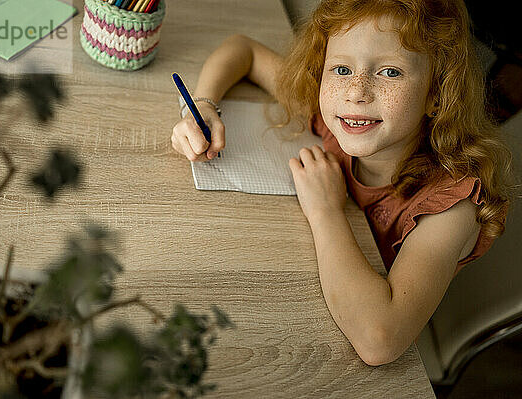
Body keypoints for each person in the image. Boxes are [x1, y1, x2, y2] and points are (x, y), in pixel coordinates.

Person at [170, 0, 516, 366]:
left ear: (436, 93)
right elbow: (244, 50)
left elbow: (379, 340)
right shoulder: (341, 113)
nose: (356, 92)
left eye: (390, 73)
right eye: (341, 68)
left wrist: (324, 211)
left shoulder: (451, 206)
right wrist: (204, 105)